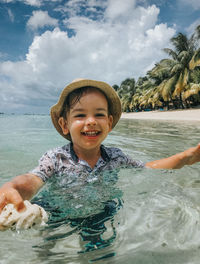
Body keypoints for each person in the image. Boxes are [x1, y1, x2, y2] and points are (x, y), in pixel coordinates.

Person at [0, 78, 200, 214]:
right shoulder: (55, 158)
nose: (91, 121)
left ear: (109, 123)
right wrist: (12, 187)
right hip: (57, 210)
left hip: (100, 210)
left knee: (100, 255)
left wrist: (185, 157)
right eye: (80, 115)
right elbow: (33, 179)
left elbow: (149, 168)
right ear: (64, 125)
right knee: (47, 253)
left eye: (99, 114)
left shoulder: (116, 157)